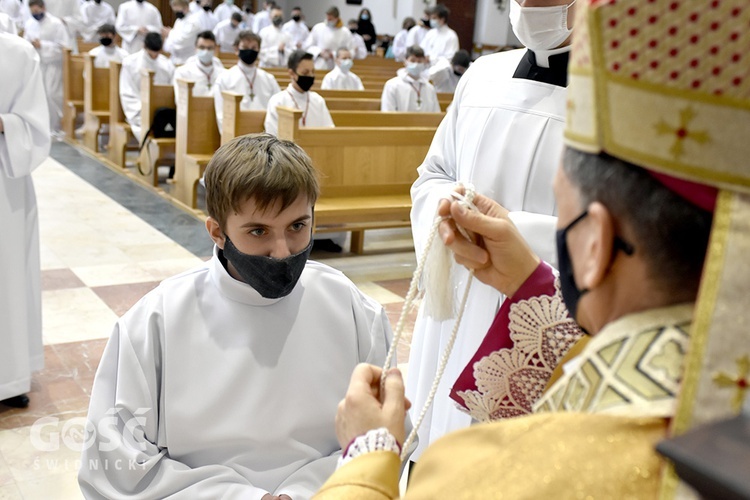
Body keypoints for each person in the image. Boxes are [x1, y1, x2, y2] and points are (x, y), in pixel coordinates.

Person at [314, 1, 750, 496]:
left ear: (593, 243)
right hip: (475, 295)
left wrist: (367, 458)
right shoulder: (721, 411)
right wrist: (469, 226)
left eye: (565, 210)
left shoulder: (487, 474)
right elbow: (433, 173)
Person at [78, 133, 394, 499]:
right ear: (217, 232)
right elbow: (116, 461)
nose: (281, 252)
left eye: (297, 226)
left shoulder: (351, 307)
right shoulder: (156, 321)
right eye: (258, 231)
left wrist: (303, 491)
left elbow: (383, 437)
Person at [405, 0, 575, 461]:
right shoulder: (482, 74)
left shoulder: (617, 99)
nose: (527, 7)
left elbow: (618, 232)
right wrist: (445, 214)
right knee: (435, 434)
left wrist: (512, 234)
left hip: (546, 306)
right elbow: (433, 172)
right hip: (456, 289)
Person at [0, 33, 51, 410]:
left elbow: (35, 127)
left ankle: (9, 376)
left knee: (8, 276)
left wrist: (4, 124)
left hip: (5, 184)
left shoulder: (16, 52)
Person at [212, 30, 279, 129]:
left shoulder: (269, 79)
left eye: (254, 48)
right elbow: (222, 116)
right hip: (236, 137)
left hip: (266, 137)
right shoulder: (224, 79)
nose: (250, 51)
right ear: (236, 49)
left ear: (259, 50)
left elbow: (277, 110)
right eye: (245, 47)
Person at [24, 0, 69, 135]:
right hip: (37, 65)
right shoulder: (29, 23)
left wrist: (42, 45)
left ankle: (55, 126)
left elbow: (64, 46)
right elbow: (25, 43)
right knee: (37, 96)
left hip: (53, 66)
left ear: (43, 8)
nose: (35, 14)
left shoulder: (56, 24)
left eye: (37, 11)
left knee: (51, 95)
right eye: (33, 12)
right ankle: (40, 127)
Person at [119, 32, 175, 142]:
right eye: (151, 52)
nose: (154, 56)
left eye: (157, 52)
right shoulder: (130, 63)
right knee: (145, 124)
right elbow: (127, 91)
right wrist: (143, 109)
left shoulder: (167, 64)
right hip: (138, 110)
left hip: (162, 111)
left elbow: (171, 90)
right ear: (144, 46)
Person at [264, 49, 333, 136]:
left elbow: (329, 132)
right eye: (305, 72)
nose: (310, 76)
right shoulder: (278, 101)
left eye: (312, 72)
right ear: (292, 73)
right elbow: (272, 136)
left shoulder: (318, 100)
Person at [381, 45, 439, 113]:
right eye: (413, 60)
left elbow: (436, 113)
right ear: (405, 61)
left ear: (424, 62)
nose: (416, 64)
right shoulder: (392, 85)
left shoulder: (430, 88)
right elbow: (387, 112)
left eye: (419, 61)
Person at [173, 30, 225, 102]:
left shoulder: (223, 73)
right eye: (202, 47)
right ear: (196, 48)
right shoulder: (183, 72)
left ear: (215, 49)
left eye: (209, 48)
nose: (206, 51)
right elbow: (180, 101)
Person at [303, 6, 351, 71]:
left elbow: (349, 50)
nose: (328, 21)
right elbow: (307, 46)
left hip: (337, 64)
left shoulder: (345, 32)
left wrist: (333, 54)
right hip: (319, 63)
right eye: (327, 18)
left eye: (330, 19)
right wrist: (320, 52)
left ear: (337, 18)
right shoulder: (318, 28)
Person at [162, 0, 203, 65]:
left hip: (188, 60)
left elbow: (183, 40)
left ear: (186, 7)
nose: (176, 11)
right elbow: (171, 42)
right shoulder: (179, 21)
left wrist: (170, 33)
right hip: (175, 59)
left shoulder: (193, 22)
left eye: (177, 8)